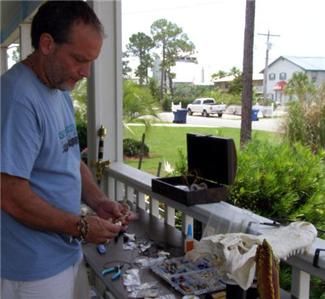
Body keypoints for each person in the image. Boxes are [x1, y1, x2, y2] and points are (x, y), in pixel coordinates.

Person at [1, 1, 136, 298]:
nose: (86, 72)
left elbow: (71, 160)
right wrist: (82, 227)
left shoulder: (59, 89)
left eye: (91, 61)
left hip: (65, 252)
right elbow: (11, 197)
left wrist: (99, 202)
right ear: (47, 44)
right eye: (79, 59)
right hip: (31, 268)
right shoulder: (16, 98)